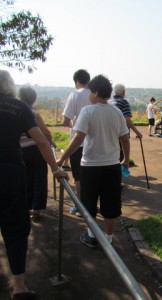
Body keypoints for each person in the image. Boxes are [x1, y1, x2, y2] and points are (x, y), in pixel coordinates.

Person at [0, 70, 68, 300]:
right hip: (11, 172)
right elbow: (40, 139)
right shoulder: (20, 107)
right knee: (16, 228)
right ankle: (19, 286)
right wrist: (56, 168)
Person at [57, 74, 130, 248]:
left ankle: (92, 236)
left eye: (90, 91)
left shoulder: (88, 111)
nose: (89, 94)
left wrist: (62, 158)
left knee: (89, 203)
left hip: (90, 166)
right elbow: (125, 139)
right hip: (112, 166)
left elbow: (78, 138)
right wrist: (126, 160)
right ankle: (109, 238)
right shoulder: (117, 112)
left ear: (95, 92)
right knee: (110, 205)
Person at [19, 86, 57, 219]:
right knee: (39, 177)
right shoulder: (34, 113)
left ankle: (25, 206)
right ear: (33, 99)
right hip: (35, 149)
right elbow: (45, 132)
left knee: (26, 178)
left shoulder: (15, 111)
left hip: (20, 150)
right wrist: (51, 142)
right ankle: (36, 208)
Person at [62, 69, 90, 216]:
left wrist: (74, 125)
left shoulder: (75, 94)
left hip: (78, 142)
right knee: (90, 175)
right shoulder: (95, 94)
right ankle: (90, 204)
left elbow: (65, 119)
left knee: (78, 177)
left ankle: (80, 206)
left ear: (77, 81)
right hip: (93, 143)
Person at [109, 83, 142, 162]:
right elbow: (127, 120)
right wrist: (137, 133)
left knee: (112, 155)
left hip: (109, 133)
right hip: (121, 133)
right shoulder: (124, 102)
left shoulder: (109, 102)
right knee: (121, 156)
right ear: (123, 92)